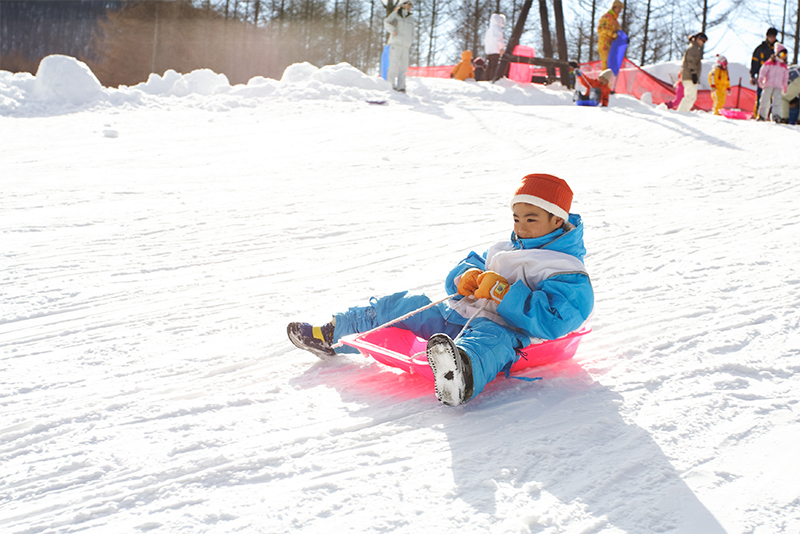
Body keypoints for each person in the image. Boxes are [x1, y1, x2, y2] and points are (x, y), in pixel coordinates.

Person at [287, 174, 594, 407]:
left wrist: (503, 292)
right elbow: (463, 270)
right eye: (516, 218)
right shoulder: (503, 247)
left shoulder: (564, 268)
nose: (522, 227)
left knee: (491, 341)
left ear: (557, 219)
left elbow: (555, 319)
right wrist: (465, 278)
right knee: (405, 304)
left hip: (508, 329)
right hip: (461, 314)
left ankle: (460, 374)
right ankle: (333, 332)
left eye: (531, 219)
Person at [384, 0, 415, 93]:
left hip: (405, 46)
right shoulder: (395, 14)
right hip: (395, 44)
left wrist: (410, 41)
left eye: (410, 4)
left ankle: (401, 86)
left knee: (403, 67)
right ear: (402, 4)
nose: (409, 6)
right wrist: (392, 30)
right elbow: (386, 22)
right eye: (407, 3)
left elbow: (412, 32)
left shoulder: (411, 18)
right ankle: (391, 85)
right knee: (393, 65)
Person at [757, 43, 789, 121]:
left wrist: (785, 86)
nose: (783, 56)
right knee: (765, 99)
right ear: (777, 53)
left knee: (777, 101)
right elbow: (763, 70)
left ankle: (777, 115)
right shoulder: (770, 62)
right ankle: (762, 115)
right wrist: (761, 79)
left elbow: (785, 77)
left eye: (785, 54)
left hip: (778, 86)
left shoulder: (784, 66)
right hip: (769, 84)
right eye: (781, 53)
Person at [676, 32, 707, 113]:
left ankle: (683, 111)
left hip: (689, 76)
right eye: (703, 40)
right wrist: (693, 74)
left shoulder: (695, 48)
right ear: (698, 38)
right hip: (689, 76)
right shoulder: (693, 48)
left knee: (691, 97)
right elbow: (691, 61)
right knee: (690, 97)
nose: (703, 43)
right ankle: (682, 112)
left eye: (705, 41)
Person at [751, 28, 779, 114]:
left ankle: (771, 114)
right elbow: (754, 63)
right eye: (770, 36)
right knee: (761, 95)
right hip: (763, 77)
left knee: (774, 97)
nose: (772, 39)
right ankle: (758, 113)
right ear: (767, 36)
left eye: (773, 37)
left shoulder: (778, 49)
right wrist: (752, 75)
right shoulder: (760, 49)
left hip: (775, 77)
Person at [597, 0, 623, 71]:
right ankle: (604, 81)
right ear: (614, 8)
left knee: (611, 66)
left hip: (612, 45)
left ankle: (608, 81)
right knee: (606, 65)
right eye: (619, 8)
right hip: (604, 44)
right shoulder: (606, 17)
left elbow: (618, 33)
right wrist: (612, 34)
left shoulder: (616, 21)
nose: (620, 10)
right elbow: (600, 30)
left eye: (621, 8)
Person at [484, 13, 506, 80]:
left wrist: (487, 49)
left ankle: (487, 78)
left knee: (489, 65)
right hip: (495, 50)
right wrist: (501, 48)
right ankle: (492, 78)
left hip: (489, 50)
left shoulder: (489, 30)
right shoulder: (498, 29)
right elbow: (498, 39)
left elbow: (486, 40)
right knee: (494, 65)